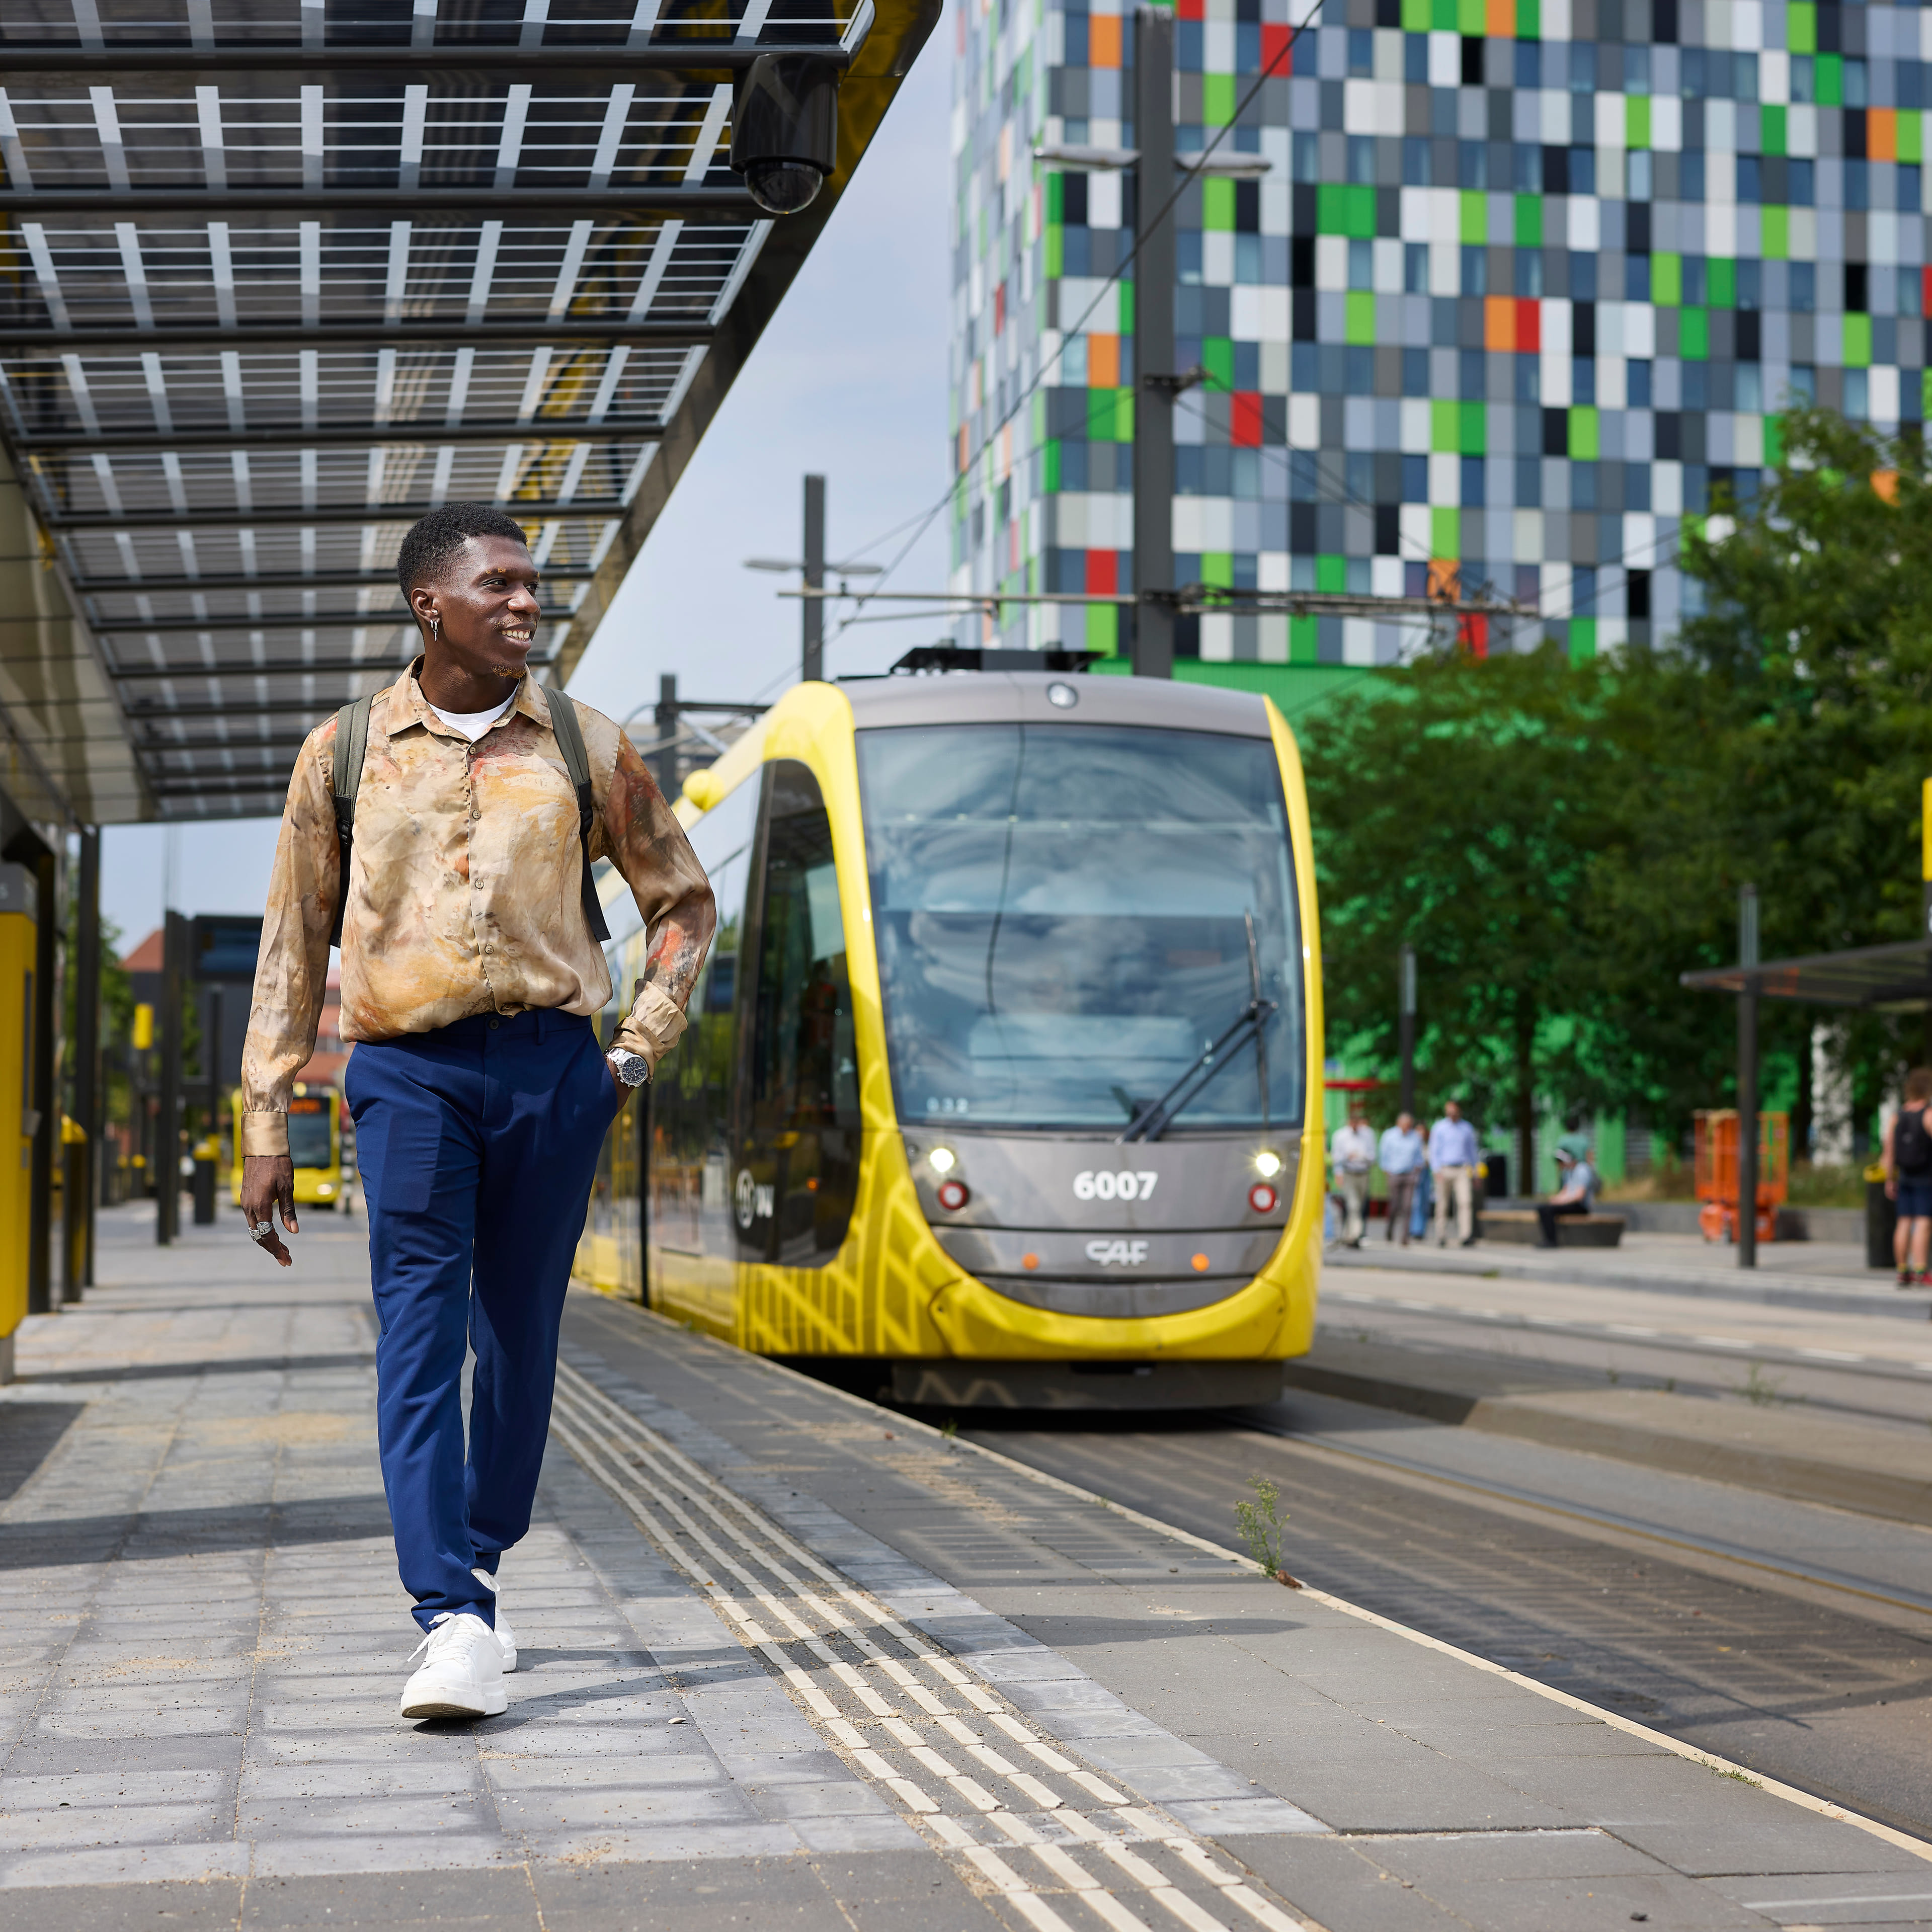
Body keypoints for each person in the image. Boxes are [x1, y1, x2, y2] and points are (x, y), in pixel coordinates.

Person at [238, 504, 716, 1722]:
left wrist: (632, 1053)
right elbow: (292, 943)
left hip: (557, 1071)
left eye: (530, 586)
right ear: (428, 604)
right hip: (406, 1075)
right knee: (416, 1335)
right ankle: (447, 1611)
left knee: (517, 1337)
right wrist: (263, 1116)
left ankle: (484, 1557)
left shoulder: (582, 744)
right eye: (496, 585)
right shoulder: (342, 753)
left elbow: (683, 904)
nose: (522, 603)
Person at [1886, 1068, 1932, 1287]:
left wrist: (1889, 1178)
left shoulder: (1898, 1115)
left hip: (1904, 1175)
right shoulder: (1928, 1113)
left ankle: (1902, 1270)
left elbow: (1889, 1150)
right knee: (1923, 1223)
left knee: (1903, 1222)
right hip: (1926, 1176)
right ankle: (1921, 1270)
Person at [1428, 1098, 1480, 1247]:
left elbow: (1472, 1152)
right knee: (1442, 1204)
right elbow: (1434, 1150)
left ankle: (1465, 1235)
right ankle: (1441, 1235)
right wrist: (1436, 1169)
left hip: (1462, 1169)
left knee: (1465, 1202)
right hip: (1444, 1169)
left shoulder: (1467, 1128)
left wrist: (1476, 1171)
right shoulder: (1439, 1128)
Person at [1329, 1101, 1377, 1247]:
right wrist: (1339, 1172)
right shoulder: (1340, 1136)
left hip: (1363, 1173)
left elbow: (1373, 1156)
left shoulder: (1368, 1134)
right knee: (1353, 1205)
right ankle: (1355, 1235)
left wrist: (1362, 1156)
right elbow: (1335, 1157)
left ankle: (1349, 1234)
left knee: (1360, 1205)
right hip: (1349, 1172)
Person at [1377, 1110, 1426, 1246]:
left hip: (1409, 1175)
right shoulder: (1389, 1136)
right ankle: (1390, 1230)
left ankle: (1405, 1236)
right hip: (1394, 1173)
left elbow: (1419, 1157)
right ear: (1399, 1124)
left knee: (1408, 1206)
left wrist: (1417, 1169)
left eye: (1409, 1125)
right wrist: (1386, 1170)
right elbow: (1383, 1155)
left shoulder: (1415, 1137)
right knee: (1394, 1206)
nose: (1407, 1127)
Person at [1536, 1148, 1599, 1247]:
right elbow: (1565, 1192)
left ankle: (1552, 1241)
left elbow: (1579, 1196)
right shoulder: (1568, 1172)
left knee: (1549, 1211)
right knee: (1543, 1209)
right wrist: (1555, 1199)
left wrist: (1561, 1202)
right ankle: (1548, 1240)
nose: (1559, 1165)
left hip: (1581, 1207)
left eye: (1561, 1162)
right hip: (1571, 1204)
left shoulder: (1582, 1170)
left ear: (1567, 1160)